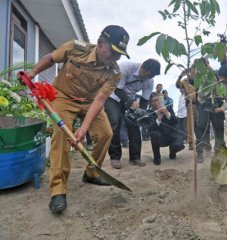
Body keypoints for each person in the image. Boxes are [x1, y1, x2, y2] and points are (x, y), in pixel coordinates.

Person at [19, 25, 130, 213]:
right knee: (62, 137)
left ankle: (92, 173)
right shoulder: (75, 48)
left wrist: (84, 128)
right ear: (101, 43)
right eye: (113, 52)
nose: (115, 58)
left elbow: (100, 100)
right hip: (63, 96)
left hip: (89, 102)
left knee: (105, 133)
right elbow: (50, 58)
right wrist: (33, 73)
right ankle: (58, 191)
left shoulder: (114, 73)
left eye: (120, 55)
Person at [105, 58, 161, 169]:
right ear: (143, 66)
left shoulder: (149, 80)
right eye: (146, 75)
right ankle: (115, 157)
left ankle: (135, 157)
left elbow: (144, 100)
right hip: (113, 97)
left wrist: (141, 113)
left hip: (129, 100)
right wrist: (131, 102)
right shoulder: (125, 68)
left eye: (150, 77)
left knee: (135, 123)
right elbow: (117, 89)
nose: (146, 78)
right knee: (115, 122)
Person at [196, 64, 227, 162]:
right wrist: (208, 89)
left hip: (218, 104)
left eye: (224, 78)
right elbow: (200, 95)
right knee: (202, 128)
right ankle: (200, 153)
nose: (221, 79)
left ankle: (218, 152)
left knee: (219, 128)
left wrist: (222, 108)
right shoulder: (208, 77)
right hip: (204, 103)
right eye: (220, 77)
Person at [147, 92, 185, 165]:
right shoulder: (149, 113)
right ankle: (157, 158)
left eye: (157, 100)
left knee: (180, 141)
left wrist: (167, 113)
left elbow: (176, 121)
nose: (156, 103)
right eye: (153, 101)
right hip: (161, 138)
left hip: (171, 135)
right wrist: (158, 119)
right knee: (154, 134)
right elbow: (149, 129)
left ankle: (172, 151)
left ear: (160, 100)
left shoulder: (168, 108)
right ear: (150, 104)